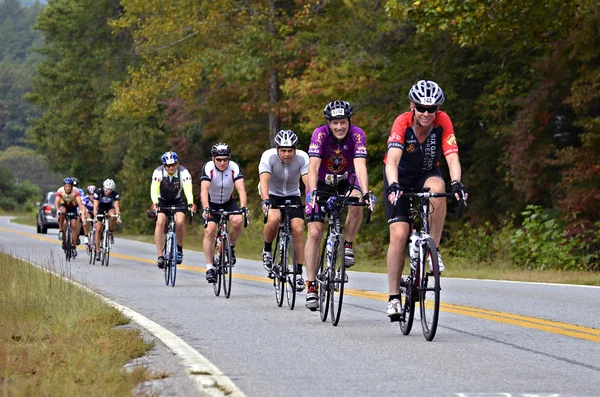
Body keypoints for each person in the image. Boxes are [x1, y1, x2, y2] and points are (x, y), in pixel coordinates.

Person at [383, 80, 468, 319]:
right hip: (398, 176)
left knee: (438, 190)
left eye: (432, 109)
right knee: (399, 235)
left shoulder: (443, 121)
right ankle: (392, 298)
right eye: (422, 108)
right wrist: (393, 185)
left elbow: (452, 156)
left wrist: (457, 182)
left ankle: (433, 249)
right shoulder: (402, 122)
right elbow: (392, 160)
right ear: (413, 106)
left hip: (426, 174)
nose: (427, 113)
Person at [304, 100, 374, 310]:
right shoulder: (319, 134)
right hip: (322, 183)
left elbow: (360, 166)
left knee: (357, 199)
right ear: (329, 123)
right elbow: (313, 167)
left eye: (342, 122)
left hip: (346, 180)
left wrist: (366, 191)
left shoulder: (357, 134)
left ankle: (348, 245)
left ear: (349, 121)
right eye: (335, 123)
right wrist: (313, 190)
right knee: (315, 233)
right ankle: (311, 285)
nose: (339, 127)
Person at [259, 130, 309, 291]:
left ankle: (299, 273)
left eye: (290, 150)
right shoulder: (268, 156)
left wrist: (311, 198)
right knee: (274, 218)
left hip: (293, 195)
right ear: (277, 149)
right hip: (272, 194)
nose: (287, 154)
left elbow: (307, 181)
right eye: (283, 150)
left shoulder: (303, 157)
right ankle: (267, 250)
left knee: (298, 229)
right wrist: (266, 200)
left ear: (295, 149)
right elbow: (264, 180)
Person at [201, 143, 248, 283]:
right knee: (209, 230)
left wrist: (244, 206)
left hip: (228, 201)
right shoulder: (208, 168)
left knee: (238, 221)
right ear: (213, 159)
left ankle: (230, 246)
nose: (222, 163)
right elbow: (204, 190)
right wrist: (205, 208)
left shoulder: (234, 167)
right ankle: (210, 267)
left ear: (229, 158)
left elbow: (241, 189)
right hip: (212, 202)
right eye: (219, 160)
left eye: (225, 159)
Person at [150, 151, 197, 269]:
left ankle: (179, 249)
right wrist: (155, 203)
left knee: (180, 222)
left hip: (177, 201)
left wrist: (190, 203)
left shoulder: (184, 172)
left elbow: (187, 189)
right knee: (160, 222)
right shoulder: (158, 172)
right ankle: (160, 256)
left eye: (173, 165)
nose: (171, 167)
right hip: (162, 200)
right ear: (164, 165)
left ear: (177, 163)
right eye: (168, 165)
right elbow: (154, 189)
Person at [55, 177, 86, 256]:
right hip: (63, 205)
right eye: (66, 186)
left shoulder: (76, 191)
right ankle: (61, 231)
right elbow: (57, 202)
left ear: (72, 186)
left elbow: (79, 203)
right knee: (62, 212)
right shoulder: (60, 191)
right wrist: (57, 210)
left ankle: (74, 247)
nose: (68, 188)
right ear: (64, 186)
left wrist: (81, 211)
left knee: (74, 225)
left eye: (69, 186)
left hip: (72, 207)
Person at [92, 179, 121, 261]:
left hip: (109, 207)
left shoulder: (115, 194)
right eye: (106, 189)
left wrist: (118, 216)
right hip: (100, 208)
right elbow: (95, 206)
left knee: (112, 216)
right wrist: (95, 216)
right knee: (98, 228)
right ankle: (97, 251)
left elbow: (116, 206)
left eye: (110, 190)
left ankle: (111, 232)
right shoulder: (98, 192)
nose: (108, 191)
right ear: (104, 188)